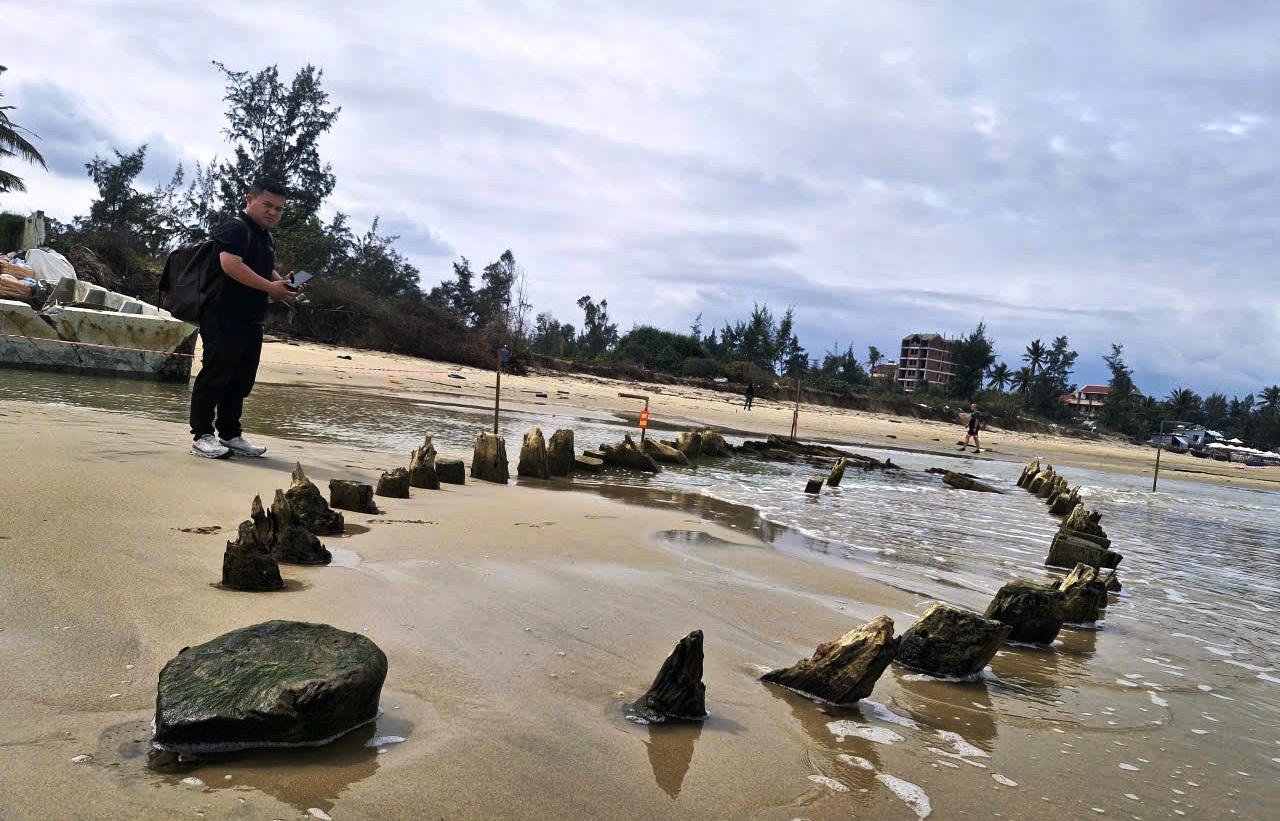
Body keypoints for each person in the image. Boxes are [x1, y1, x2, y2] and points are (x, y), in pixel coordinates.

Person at [188, 178, 301, 459]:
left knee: (240, 380)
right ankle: (202, 435)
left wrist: (284, 284)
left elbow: (265, 269)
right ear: (249, 200)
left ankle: (230, 434)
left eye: (279, 208)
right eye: (268, 205)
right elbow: (230, 265)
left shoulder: (265, 236)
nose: (274, 212)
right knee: (215, 374)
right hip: (222, 314)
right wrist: (270, 287)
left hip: (250, 319)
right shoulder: (236, 228)